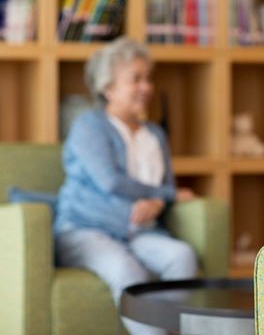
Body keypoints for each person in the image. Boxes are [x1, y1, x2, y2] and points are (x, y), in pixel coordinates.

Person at [54, 38, 198, 335]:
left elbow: (165, 186)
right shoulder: (89, 126)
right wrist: (168, 195)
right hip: (86, 228)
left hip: (139, 231)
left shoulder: (155, 134)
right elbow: (110, 181)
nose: (146, 87)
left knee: (182, 256)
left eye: (148, 79)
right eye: (136, 79)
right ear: (108, 88)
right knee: (128, 271)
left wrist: (157, 203)